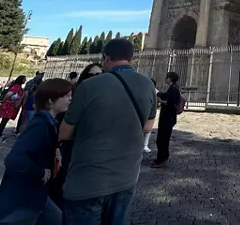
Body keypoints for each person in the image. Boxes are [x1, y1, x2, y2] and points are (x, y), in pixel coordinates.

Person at [59, 39, 158, 224]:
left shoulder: (89, 85)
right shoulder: (148, 85)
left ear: (105, 57)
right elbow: (147, 127)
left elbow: (64, 132)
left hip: (88, 179)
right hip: (126, 177)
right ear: (132, 57)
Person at [0, 78, 72, 225]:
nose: (70, 99)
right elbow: (14, 160)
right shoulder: (39, 126)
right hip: (20, 199)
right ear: (50, 101)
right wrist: (41, 172)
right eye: (66, 96)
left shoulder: (49, 124)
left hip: (35, 195)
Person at [49, 64, 103, 209]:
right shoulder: (75, 93)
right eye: (91, 75)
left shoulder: (105, 95)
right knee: (63, 177)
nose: (95, 79)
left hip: (90, 146)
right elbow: (59, 119)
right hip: (69, 143)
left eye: (99, 75)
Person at [152, 71, 181, 168]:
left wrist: (157, 93)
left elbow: (169, 99)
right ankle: (162, 157)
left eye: (167, 77)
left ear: (170, 78)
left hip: (168, 118)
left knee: (162, 140)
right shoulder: (173, 88)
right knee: (162, 139)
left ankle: (161, 159)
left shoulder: (173, 89)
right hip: (168, 118)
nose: (166, 79)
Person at [0, 76, 27, 142]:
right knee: (4, 121)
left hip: (10, 106)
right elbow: (9, 94)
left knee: (4, 121)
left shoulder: (18, 87)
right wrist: (3, 100)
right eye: (24, 79)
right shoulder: (16, 87)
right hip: (8, 106)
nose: (25, 80)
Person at [143, 77, 158, 154]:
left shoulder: (155, 91)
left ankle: (145, 145)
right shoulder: (144, 90)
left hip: (148, 114)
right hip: (144, 112)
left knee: (147, 131)